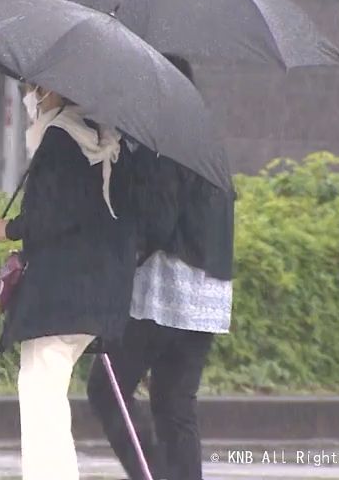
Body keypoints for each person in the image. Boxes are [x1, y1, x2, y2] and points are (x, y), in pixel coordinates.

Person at [86, 55, 235, 480]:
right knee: (174, 403)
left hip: (167, 290)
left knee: (107, 390)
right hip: (208, 294)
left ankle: (149, 473)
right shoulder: (204, 138)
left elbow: (157, 219)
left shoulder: (165, 142)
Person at [0, 83, 137, 480]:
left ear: (50, 90)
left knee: (41, 395)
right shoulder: (110, 140)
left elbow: (50, 217)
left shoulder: (59, 138)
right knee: (49, 392)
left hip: (58, 295)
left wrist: (8, 227)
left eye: (31, 87)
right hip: (101, 293)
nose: (29, 96)